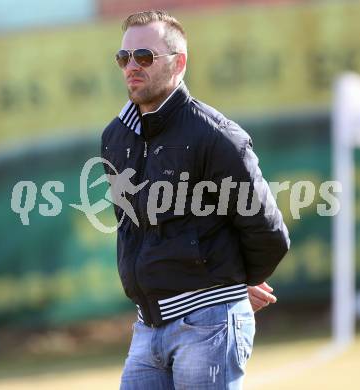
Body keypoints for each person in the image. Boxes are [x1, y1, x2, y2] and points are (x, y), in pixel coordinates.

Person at [101, 10, 290, 389]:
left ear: (179, 63)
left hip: (209, 326)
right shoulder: (115, 138)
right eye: (124, 58)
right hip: (147, 327)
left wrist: (230, 287)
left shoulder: (217, 136)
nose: (131, 67)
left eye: (144, 57)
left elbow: (269, 233)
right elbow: (135, 234)